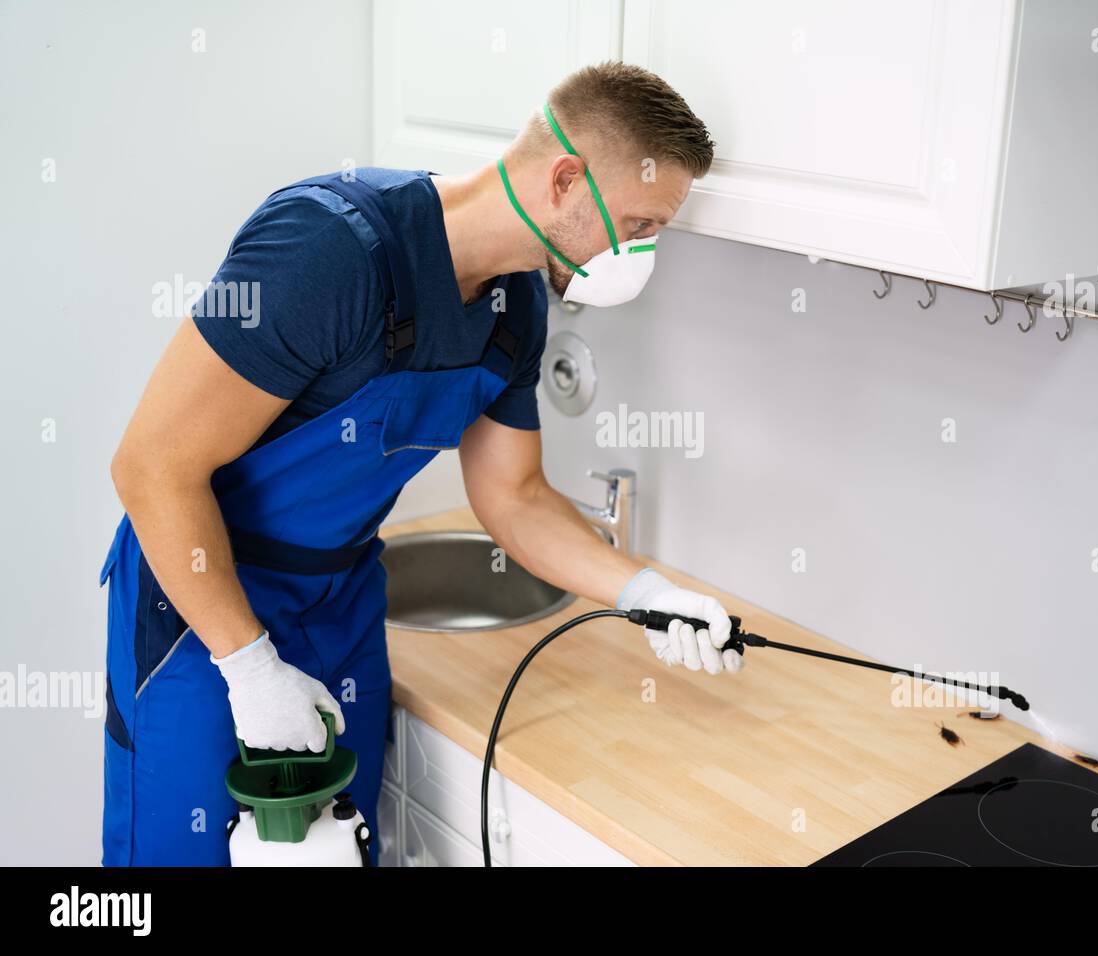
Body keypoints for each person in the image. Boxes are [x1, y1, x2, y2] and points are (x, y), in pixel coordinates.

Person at [99, 61, 741, 865]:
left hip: (340, 603)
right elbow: (152, 466)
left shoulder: (517, 309)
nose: (644, 251)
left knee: (338, 850)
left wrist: (648, 592)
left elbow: (515, 498)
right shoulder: (328, 251)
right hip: (200, 614)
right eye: (640, 224)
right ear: (567, 180)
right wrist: (250, 668)